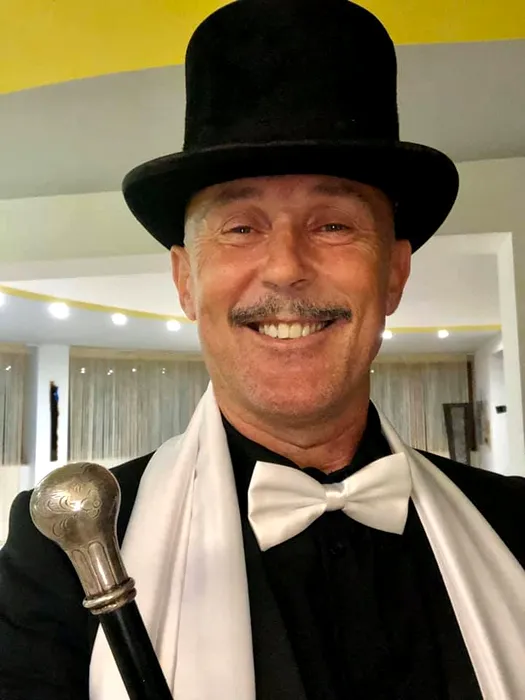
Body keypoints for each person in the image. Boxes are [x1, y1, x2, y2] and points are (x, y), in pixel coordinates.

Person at [1, 1, 524, 699]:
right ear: (186, 280)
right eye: (240, 228)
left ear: (394, 275)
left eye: (333, 225)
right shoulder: (68, 549)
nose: (284, 269)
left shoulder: (516, 525)